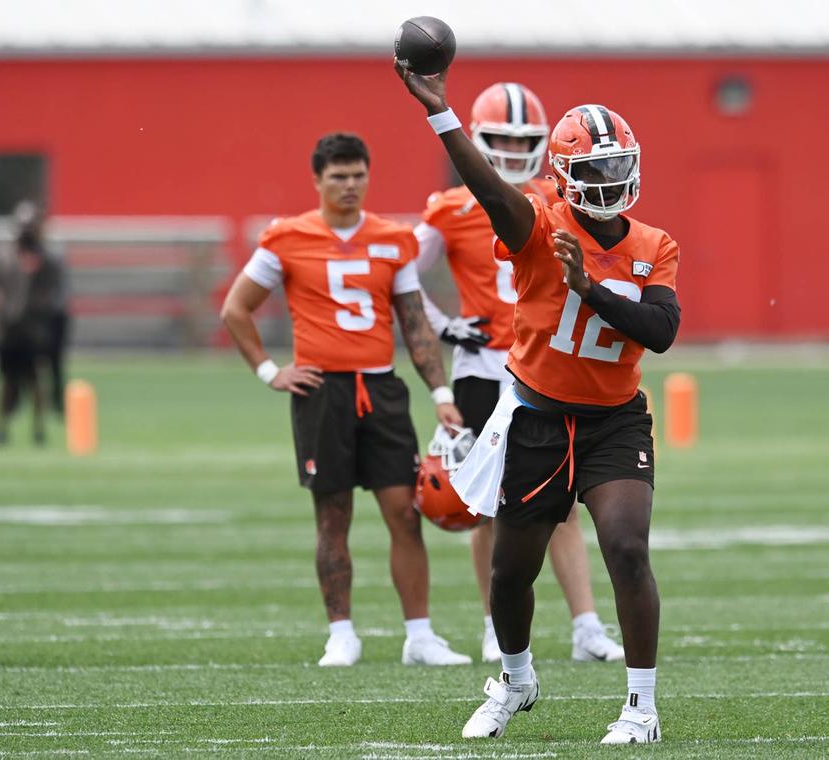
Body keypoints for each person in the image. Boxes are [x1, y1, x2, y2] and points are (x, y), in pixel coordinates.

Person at [396, 65, 680, 744]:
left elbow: (661, 332)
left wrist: (591, 289)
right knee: (510, 569)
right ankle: (517, 678)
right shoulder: (537, 226)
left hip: (615, 420)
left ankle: (641, 707)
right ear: (566, 174)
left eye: (619, 166)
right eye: (597, 168)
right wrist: (440, 114)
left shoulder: (652, 246)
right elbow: (487, 187)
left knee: (627, 547)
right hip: (538, 417)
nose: (611, 181)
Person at [221, 133, 472, 668]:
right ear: (317, 180)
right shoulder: (286, 238)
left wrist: (441, 392)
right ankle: (341, 633)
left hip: (381, 387)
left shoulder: (392, 238)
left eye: (358, 174)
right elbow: (235, 309)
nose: (350, 185)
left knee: (405, 513)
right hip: (322, 390)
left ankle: (420, 635)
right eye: (338, 176)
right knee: (332, 516)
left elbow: (415, 324)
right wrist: (270, 370)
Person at [415, 82, 624, 665]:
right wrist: (446, 325)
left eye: (521, 140)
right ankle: (491, 622)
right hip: (484, 368)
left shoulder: (557, 200)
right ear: (477, 141)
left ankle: (585, 625)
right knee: (490, 502)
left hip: (547, 369)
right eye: (499, 139)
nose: (509, 149)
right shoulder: (451, 207)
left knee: (562, 503)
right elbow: (397, 278)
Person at [0, 205, 62, 445]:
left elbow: (51, 289)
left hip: (33, 330)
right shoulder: (5, 255)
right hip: (9, 329)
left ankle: (38, 428)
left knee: (35, 381)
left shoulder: (45, 258)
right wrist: (3, 310)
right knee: (8, 381)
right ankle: (2, 428)